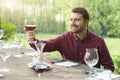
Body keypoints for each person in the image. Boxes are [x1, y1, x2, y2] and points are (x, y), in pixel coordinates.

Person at [24, 7, 114, 72]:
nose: (72, 23)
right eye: (71, 20)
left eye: (77, 20)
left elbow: (109, 66)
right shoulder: (64, 38)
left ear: (86, 22)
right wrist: (32, 40)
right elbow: (46, 45)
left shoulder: (98, 41)